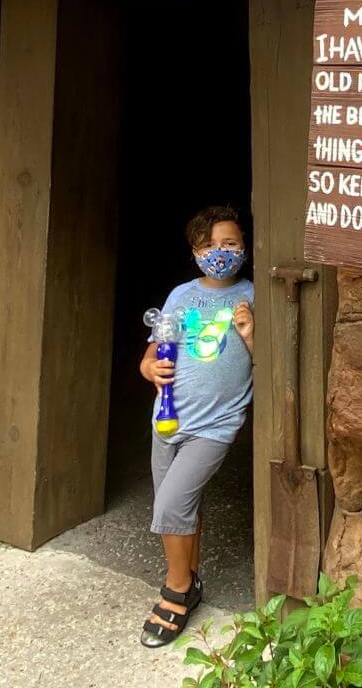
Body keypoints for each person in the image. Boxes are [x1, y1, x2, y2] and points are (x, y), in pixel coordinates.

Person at [139, 205, 254, 648]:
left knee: (169, 507)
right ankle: (192, 580)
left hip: (215, 425)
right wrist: (150, 369)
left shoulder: (252, 293)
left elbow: (271, 362)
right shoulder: (181, 296)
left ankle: (176, 592)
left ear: (243, 246)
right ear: (195, 252)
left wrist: (249, 332)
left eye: (229, 244)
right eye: (209, 246)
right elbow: (151, 355)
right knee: (182, 509)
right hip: (167, 420)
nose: (219, 253)